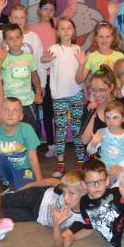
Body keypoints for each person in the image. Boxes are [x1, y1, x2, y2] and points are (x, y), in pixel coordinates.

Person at [30, 0, 78, 153]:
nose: (48, 12)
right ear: (39, 10)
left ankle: (64, 143)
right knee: (48, 111)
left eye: (51, 9)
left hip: (60, 74)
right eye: (45, 8)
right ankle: (50, 145)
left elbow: (72, 9)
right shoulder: (32, 28)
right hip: (43, 76)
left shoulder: (58, 24)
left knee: (61, 111)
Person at [40, 16, 85, 176]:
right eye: (62, 28)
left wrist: (85, 92)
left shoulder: (78, 49)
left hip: (77, 94)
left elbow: (82, 74)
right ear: (58, 32)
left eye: (69, 28)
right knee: (60, 129)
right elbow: (44, 61)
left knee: (78, 128)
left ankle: (81, 160)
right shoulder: (54, 49)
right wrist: (44, 58)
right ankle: (60, 162)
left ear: (73, 31)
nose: (66, 31)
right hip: (59, 96)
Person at [0, 97, 56, 192]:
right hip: (4, 168)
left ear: (21, 116)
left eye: (15, 110)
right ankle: (3, 183)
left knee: (25, 191)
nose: (10, 114)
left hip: (23, 168)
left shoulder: (27, 129)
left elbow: (33, 158)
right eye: (6, 110)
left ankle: (18, 183)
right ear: (1, 114)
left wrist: (39, 180)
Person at [1, 169, 87, 246]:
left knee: (1, 215)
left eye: (71, 193)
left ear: (84, 192)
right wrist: (30, 185)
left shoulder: (79, 220)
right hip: (36, 196)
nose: (66, 197)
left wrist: (56, 225)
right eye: (64, 192)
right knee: (1, 201)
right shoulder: (68, 188)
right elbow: (52, 181)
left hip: (35, 215)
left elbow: (59, 242)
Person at [0, 23, 42, 129]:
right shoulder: (3, 58)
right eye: (10, 38)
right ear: (5, 41)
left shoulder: (29, 57)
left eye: (17, 37)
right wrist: (1, 59)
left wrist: (38, 93)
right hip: (10, 104)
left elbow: (35, 76)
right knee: (11, 131)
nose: (15, 41)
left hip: (28, 102)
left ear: (22, 38)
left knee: (30, 130)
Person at [86, 100, 124, 182]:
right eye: (107, 117)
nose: (111, 121)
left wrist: (119, 166)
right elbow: (90, 151)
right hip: (103, 166)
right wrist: (94, 144)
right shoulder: (101, 132)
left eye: (115, 117)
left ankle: (116, 189)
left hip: (120, 167)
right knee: (93, 177)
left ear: (123, 118)